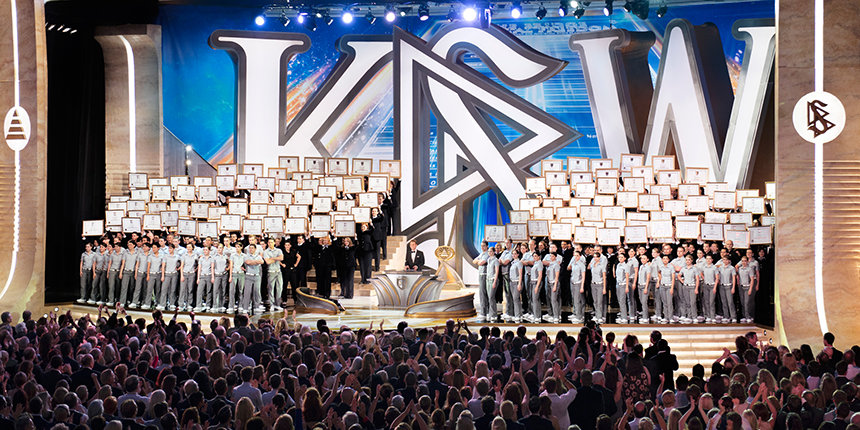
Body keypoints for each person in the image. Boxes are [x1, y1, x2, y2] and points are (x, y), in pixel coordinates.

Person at [263, 238, 284, 311]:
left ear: (274, 243)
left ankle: (278, 304)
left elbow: (281, 258)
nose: (270, 244)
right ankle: (272, 304)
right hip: (271, 271)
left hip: (278, 271)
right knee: (271, 288)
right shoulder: (266, 252)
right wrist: (276, 258)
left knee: (279, 288)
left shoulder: (278, 250)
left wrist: (272, 258)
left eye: (271, 242)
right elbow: (268, 262)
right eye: (269, 242)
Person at [242, 244, 263, 314]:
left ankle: (257, 306)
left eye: (252, 248)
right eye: (250, 248)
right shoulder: (246, 256)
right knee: (247, 293)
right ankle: (245, 308)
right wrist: (256, 262)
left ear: (255, 249)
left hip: (256, 276)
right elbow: (248, 262)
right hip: (249, 276)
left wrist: (252, 262)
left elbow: (262, 262)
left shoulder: (258, 256)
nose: (251, 249)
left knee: (257, 292)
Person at [158, 244, 180, 311]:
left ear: (173, 249)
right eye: (169, 249)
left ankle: (172, 303)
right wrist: (162, 276)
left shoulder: (177, 256)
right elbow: (163, 266)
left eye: (171, 248)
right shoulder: (166, 256)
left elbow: (180, 263)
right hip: (167, 274)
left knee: (173, 290)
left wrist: (178, 268)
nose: (169, 250)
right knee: (164, 289)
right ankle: (162, 304)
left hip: (174, 274)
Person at [678, 255, 700, 324]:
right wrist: (682, 281)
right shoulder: (683, 268)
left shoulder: (694, 268)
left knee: (693, 302)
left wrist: (696, 288)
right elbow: (679, 275)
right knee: (687, 302)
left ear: (691, 260)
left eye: (689, 260)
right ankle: (689, 316)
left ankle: (694, 316)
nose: (687, 261)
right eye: (686, 260)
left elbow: (697, 279)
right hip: (685, 286)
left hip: (692, 287)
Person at [129, 242, 150, 309]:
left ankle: (144, 302)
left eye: (146, 246)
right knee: (137, 288)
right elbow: (137, 264)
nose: (144, 248)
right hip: (140, 272)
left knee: (145, 289)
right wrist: (136, 273)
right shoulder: (140, 255)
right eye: (143, 246)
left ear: (149, 248)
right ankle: (134, 302)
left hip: (147, 273)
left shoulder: (151, 255)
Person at [717, 255, 738, 323]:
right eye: (724, 260)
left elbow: (734, 278)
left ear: (729, 261)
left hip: (729, 286)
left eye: (726, 260)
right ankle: (726, 316)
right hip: (722, 286)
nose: (725, 261)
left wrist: (733, 287)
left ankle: (733, 316)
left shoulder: (732, 268)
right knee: (724, 302)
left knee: (730, 302)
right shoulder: (720, 268)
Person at [142, 244, 163, 310]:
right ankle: (147, 304)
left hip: (158, 274)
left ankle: (158, 303)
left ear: (158, 248)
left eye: (155, 247)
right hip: (151, 274)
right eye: (152, 248)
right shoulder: (150, 256)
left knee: (158, 289)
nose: (153, 249)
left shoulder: (161, 256)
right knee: (149, 289)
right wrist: (148, 275)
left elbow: (163, 265)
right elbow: (148, 266)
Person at [589, 251, 608, 323]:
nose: (595, 258)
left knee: (599, 301)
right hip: (593, 284)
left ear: (599, 258)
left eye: (596, 257)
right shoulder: (592, 264)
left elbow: (604, 277)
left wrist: (604, 288)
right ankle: (597, 315)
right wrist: (591, 262)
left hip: (600, 284)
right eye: (594, 257)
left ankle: (600, 316)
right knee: (595, 301)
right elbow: (588, 267)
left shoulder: (602, 265)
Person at [568, 250, 587, 323]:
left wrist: (582, 286)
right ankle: (577, 314)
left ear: (580, 256)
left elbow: (583, 276)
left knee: (577, 300)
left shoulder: (581, 265)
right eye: (574, 255)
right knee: (574, 299)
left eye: (577, 256)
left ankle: (579, 317)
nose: (575, 257)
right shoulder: (573, 263)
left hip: (578, 284)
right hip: (573, 282)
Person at [227, 242, 246, 314]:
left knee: (241, 290)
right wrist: (230, 276)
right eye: (236, 247)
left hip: (241, 274)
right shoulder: (233, 255)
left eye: (238, 247)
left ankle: (241, 305)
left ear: (241, 247)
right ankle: (231, 306)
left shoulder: (244, 256)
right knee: (232, 290)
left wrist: (245, 269)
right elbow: (231, 265)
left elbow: (246, 264)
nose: (237, 248)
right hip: (234, 273)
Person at [473, 241, 490, 322]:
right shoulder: (482, 254)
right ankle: (485, 312)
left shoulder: (487, 254)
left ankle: (484, 312)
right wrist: (478, 261)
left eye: (484, 246)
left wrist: (478, 261)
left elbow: (481, 263)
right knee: (482, 294)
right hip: (481, 274)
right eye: (481, 246)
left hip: (484, 275)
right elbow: (474, 261)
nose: (482, 247)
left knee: (483, 294)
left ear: (487, 246)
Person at [736, 256, 756, 323]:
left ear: (747, 261)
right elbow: (738, 276)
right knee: (742, 302)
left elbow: (752, 279)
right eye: (742, 261)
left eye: (745, 261)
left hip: (747, 287)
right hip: (741, 287)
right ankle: (744, 316)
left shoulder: (750, 269)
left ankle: (748, 316)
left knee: (747, 303)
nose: (743, 262)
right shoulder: (740, 269)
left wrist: (750, 289)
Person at [118, 241, 139, 306]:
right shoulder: (125, 252)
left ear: (134, 245)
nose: (129, 246)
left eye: (130, 245)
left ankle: (130, 300)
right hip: (126, 271)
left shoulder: (137, 253)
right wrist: (121, 272)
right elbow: (123, 263)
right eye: (128, 245)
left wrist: (136, 273)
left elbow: (137, 264)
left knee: (132, 287)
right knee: (124, 287)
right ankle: (122, 302)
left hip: (133, 271)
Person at [178, 243, 197, 311]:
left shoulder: (195, 255)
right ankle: (181, 304)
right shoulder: (184, 255)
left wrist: (195, 269)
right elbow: (182, 266)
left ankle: (189, 304)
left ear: (192, 248)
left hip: (191, 274)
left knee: (190, 289)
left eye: (190, 247)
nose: (188, 248)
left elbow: (197, 264)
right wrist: (182, 275)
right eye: (187, 247)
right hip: (185, 273)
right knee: (182, 289)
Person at [195, 246, 214, 312]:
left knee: (209, 291)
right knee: (199, 291)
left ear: (209, 251)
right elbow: (199, 268)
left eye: (206, 250)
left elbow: (212, 268)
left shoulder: (211, 258)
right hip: (202, 276)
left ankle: (208, 305)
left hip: (209, 275)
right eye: (204, 250)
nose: (205, 251)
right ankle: (198, 305)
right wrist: (198, 278)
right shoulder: (201, 258)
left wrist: (212, 277)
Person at [700, 255, 719, 323]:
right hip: (706, 285)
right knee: (706, 301)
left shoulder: (714, 267)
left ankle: (712, 316)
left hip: (712, 286)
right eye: (707, 259)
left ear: (712, 260)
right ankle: (708, 316)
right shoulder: (704, 267)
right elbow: (701, 273)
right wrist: (704, 278)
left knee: (711, 302)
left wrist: (715, 287)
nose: (708, 260)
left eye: (709, 259)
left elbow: (717, 278)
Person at [656, 255, 675, 324]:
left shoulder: (671, 267)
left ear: (668, 260)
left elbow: (673, 278)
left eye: (666, 259)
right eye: (663, 259)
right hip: (662, 286)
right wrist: (658, 282)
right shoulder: (661, 267)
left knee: (669, 302)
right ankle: (666, 317)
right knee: (664, 302)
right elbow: (659, 274)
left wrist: (672, 288)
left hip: (669, 286)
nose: (665, 260)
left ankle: (671, 317)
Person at [615, 253, 632, 324]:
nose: (620, 258)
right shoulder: (618, 265)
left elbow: (627, 276)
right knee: (620, 301)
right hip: (618, 284)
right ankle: (622, 315)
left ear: (625, 258)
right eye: (619, 257)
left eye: (622, 257)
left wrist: (627, 286)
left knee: (622, 301)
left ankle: (624, 317)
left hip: (624, 284)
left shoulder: (626, 266)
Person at [212, 244, 229, 312]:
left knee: (223, 290)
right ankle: (215, 305)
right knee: (215, 290)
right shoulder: (214, 257)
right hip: (217, 275)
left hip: (224, 274)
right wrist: (212, 276)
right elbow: (212, 267)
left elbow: (229, 263)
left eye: (221, 248)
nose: (219, 249)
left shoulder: (225, 256)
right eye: (218, 248)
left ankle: (222, 305)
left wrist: (227, 268)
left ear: (223, 249)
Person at [509, 248, 524, 323]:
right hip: (512, 282)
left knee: (516, 298)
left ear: (518, 254)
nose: (514, 255)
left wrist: (519, 284)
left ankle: (517, 315)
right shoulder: (513, 263)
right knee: (515, 299)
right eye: (513, 254)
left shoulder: (519, 263)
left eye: (515, 254)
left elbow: (520, 274)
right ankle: (519, 314)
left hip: (517, 282)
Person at [545, 252, 561, 323]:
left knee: (554, 300)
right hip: (549, 283)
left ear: (555, 257)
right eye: (550, 256)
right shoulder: (550, 264)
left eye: (552, 256)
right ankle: (552, 314)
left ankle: (556, 316)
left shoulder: (556, 265)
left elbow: (557, 276)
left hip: (554, 283)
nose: (551, 257)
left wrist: (555, 285)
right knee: (550, 299)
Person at [485, 247, 500, 322]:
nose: (489, 253)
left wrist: (494, 281)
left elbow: (497, 272)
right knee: (489, 297)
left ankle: (494, 314)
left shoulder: (496, 260)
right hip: (488, 279)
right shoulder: (488, 260)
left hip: (493, 280)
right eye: (488, 251)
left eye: (491, 251)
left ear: (494, 252)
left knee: (491, 297)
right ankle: (490, 313)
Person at [637, 254, 652, 324]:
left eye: (644, 258)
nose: (642, 260)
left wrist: (646, 287)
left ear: (647, 259)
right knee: (641, 301)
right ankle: (643, 316)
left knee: (644, 302)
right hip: (639, 286)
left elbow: (648, 278)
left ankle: (646, 317)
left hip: (645, 286)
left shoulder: (648, 267)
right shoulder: (641, 266)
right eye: (642, 258)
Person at [529, 252, 543, 323]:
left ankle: (537, 316)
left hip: (536, 282)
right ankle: (535, 314)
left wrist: (537, 286)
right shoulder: (535, 263)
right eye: (533, 256)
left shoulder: (539, 264)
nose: (534, 257)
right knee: (534, 299)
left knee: (535, 299)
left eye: (535, 256)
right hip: (532, 282)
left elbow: (540, 275)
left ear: (539, 257)